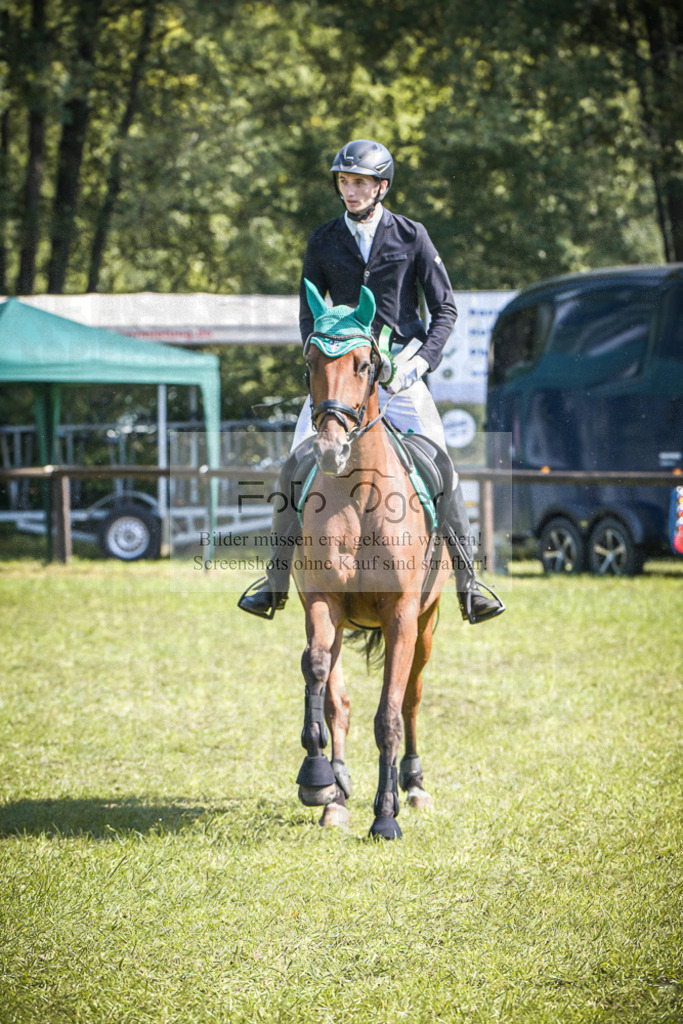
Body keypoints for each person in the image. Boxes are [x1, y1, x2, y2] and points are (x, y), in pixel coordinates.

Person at [238, 138, 504, 624]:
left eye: (359, 182)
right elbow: (308, 314)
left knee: (443, 468)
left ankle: (469, 583)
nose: (350, 191)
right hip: (342, 378)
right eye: (344, 181)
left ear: (381, 186)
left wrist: (420, 363)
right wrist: (322, 362)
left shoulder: (411, 235)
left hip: (400, 373)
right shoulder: (323, 240)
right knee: (293, 466)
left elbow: (444, 309)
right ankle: (274, 581)